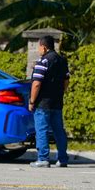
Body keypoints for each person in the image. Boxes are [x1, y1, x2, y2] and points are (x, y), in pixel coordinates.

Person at [29, 35, 70, 168]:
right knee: (59, 130)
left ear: (44, 47)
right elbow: (66, 81)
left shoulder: (43, 61)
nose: (38, 50)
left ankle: (43, 159)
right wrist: (60, 93)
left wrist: (32, 101)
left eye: (39, 47)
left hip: (43, 103)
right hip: (57, 101)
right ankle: (62, 159)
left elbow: (36, 84)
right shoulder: (62, 61)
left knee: (42, 130)